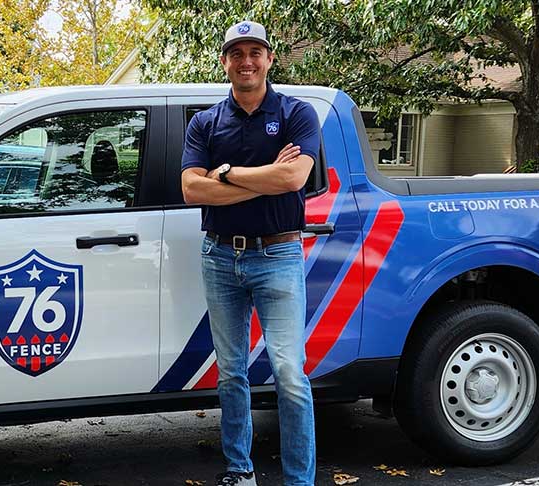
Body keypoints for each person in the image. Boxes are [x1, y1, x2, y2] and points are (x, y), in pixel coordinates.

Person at [179, 20, 322, 486]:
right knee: (230, 373)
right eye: (236, 52)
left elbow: (293, 180)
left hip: (278, 255)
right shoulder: (205, 122)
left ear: (269, 58)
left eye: (254, 52)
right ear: (224, 61)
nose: (246, 61)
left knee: (289, 373)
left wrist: (223, 174)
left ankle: (299, 480)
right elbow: (189, 190)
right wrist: (260, 180)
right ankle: (239, 471)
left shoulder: (298, 113)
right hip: (220, 256)